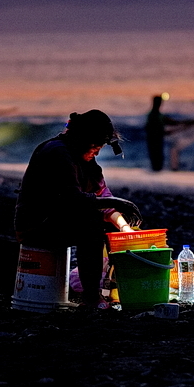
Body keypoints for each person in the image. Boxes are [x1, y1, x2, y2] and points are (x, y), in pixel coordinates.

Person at [14, 110, 137, 309]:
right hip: (35, 226)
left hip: (57, 220)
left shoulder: (84, 158)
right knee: (91, 225)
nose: (97, 152)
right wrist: (109, 204)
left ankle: (102, 291)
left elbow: (102, 195)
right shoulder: (58, 153)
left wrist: (124, 227)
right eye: (96, 146)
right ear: (82, 138)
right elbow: (72, 199)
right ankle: (91, 298)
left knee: (101, 223)